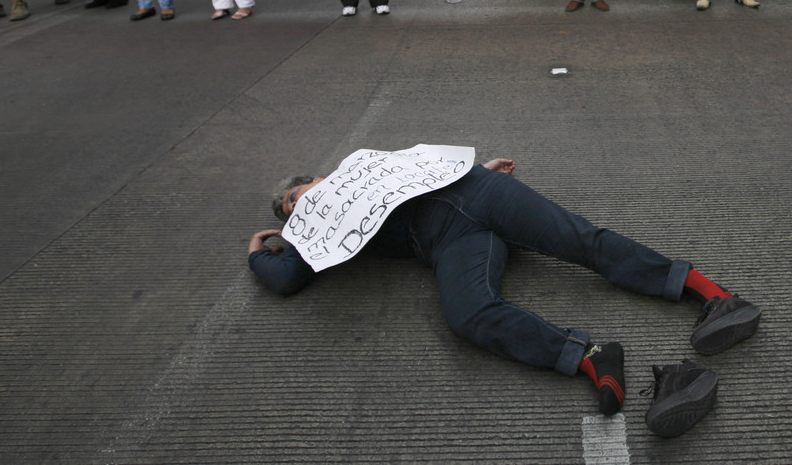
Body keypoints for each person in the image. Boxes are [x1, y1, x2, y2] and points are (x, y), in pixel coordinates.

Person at [249, 151, 760, 434]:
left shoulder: (353, 167)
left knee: (583, 241)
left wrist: (482, 170)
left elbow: (416, 162)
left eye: (297, 195)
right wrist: (260, 249)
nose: (298, 207)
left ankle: (714, 296)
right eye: (290, 211)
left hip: (476, 189)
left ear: (316, 177)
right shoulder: (308, 233)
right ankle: (592, 356)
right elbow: (286, 279)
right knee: (466, 313)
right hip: (450, 239)